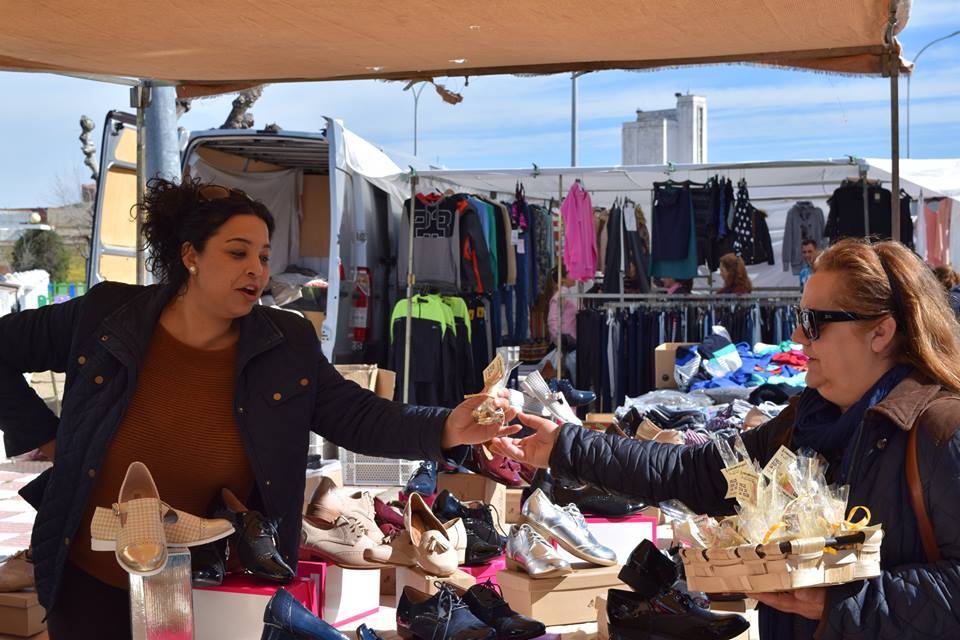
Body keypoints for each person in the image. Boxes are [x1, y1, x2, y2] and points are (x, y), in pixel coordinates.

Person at [0, 179, 516, 640]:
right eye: (237, 252)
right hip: (90, 569)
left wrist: (448, 426)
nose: (257, 269)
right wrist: (44, 433)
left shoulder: (284, 341)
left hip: (211, 573)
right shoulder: (108, 313)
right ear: (190, 256)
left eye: (265, 256)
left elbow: (358, 415)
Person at [492, 238, 960, 640]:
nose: (797, 334)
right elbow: (694, 474)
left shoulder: (941, 431)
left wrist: (841, 600)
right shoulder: (805, 421)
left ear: (881, 331)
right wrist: (564, 445)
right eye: (800, 317)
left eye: (815, 322)